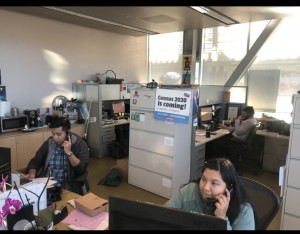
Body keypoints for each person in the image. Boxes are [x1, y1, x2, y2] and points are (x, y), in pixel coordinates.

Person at [164, 158, 255, 230]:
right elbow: (163, 215)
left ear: (229, 188)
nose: (205, 188)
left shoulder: (244, 211)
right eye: (203, 179)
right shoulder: (189, 191)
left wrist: (222, 220)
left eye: (214, 183)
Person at [25, 116, 89, 195]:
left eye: (59, 134)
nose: (55, 137)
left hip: (66, 186)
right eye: (53, 134)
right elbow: (36, 159)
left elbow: (82, 168)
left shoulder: (79, 144)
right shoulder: (49, 142)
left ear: (67, 132)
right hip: (46, 183)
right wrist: (32, 172)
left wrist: (69, 153)